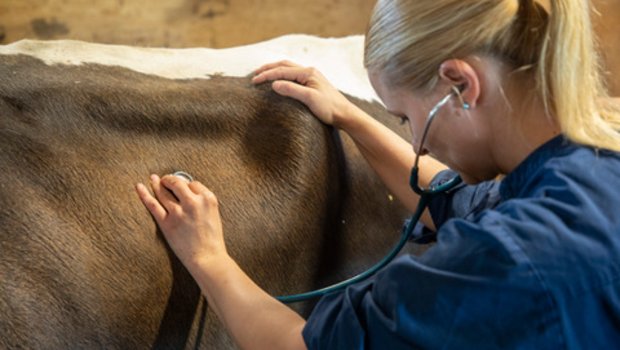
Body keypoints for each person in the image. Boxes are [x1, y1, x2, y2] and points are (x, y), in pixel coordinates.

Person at [135, 0, 620, 348]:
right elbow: (455, 205)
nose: (418, 145)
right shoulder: (591, 166)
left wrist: (209, 257)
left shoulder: (501, 260)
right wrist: (351, 118)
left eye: (409, 118)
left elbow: (304, 346)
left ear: (461, 85)